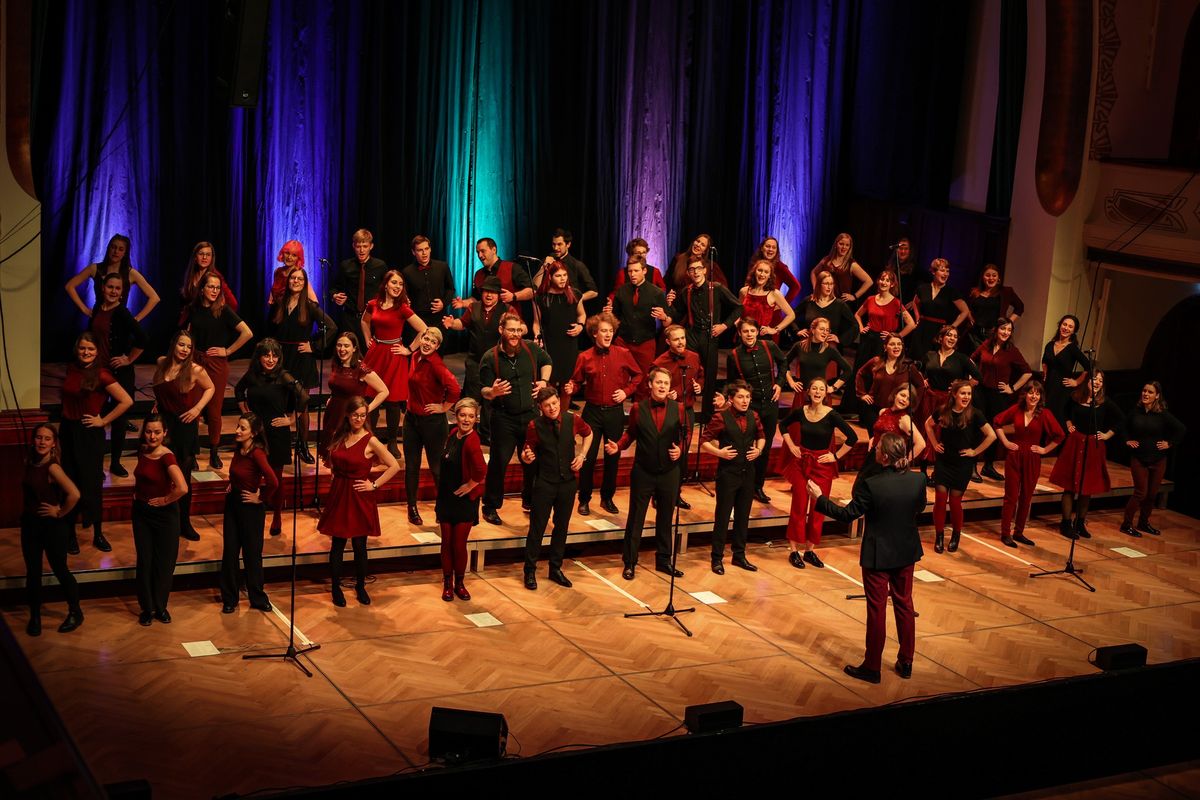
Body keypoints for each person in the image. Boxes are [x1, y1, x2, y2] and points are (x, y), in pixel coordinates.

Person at [808, 432, 927, 683]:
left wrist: (819, 498)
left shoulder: (872, 484)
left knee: (877, 610)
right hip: (906, 551)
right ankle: (906, 661)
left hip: (878, 554)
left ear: (883, 455)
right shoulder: (918, 481)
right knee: (905, 604)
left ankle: (872, 667)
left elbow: (847, 514)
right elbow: (920, 507)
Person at [318, 396, 401, 607]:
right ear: (348, 414)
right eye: (356, 415)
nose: (359, 419)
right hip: (339, 493)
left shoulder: (370, 439)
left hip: (358, 495)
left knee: (359, 545)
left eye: (363, 415)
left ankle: (361, 586)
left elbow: (394, 466)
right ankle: (336, 587)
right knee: (337, 544)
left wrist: (373, 485)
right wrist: (334, 476)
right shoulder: (340, 435)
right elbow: (334, 462)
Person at [608, 367, 687, 579]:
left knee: (665, 518)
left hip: (669, 472)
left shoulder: (678, 409)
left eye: (666, 383)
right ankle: (630, 562)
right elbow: (631, 434)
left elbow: (684, 437)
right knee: (636, 518)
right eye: (659, 382)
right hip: (644, 470)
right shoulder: (637, 408)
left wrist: (680, 449)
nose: (662, 386)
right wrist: (619, 446)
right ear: (650, 384)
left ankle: (664, 560)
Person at [59, 332, 133, 554]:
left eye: (90, 349)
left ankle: (97, 533)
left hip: (89, 432)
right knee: (69, 481)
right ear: (77, 349)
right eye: (82, 348)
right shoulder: (71, 368)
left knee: (91, 484)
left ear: (97, 352)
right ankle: (70, 534)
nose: (86, 352)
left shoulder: (102, 374)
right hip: (68, 431)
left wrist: (103, 420)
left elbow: (126, 400)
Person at [565, 311, 643, 515]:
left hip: (615, 413)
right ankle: (584, 499)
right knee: (588, 459)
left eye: (610, 331)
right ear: (594, 334)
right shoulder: (585, 357)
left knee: (613, 457)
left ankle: (607, 498)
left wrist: (626, 392)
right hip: (592, 413)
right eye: (603, 331)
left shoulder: (623, 354)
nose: (608, 335)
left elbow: (638, 375)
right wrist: (570, 389)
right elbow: (576, 382)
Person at [479, 312, 552, 525]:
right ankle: (490, 506)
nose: (515, 334)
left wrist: (544, 381)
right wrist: (492, 392)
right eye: (511, 330)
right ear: (501, 330)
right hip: (503, 418)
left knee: (531, 460)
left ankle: (529, 500)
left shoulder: (531, 348)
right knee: (499, 463)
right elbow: (482, 390)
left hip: (530, 416)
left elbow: (547, 360)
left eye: (519, 330)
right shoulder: (489, 357)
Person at [779, 378, 858, 568]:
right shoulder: (801, 411)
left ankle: (809, 550)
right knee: (798, 505)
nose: (817, 392)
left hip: (822, 464)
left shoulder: (832, 414)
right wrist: (791, 445)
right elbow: (783, 425)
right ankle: (794, 551)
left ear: (826, 393)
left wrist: (836, 456)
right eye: (814, 388)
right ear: (808, 391)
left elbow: (853, 437)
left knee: (817, 508)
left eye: (821, 389)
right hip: (802, 462)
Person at [520, 387, 593, 589]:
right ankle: (530, 571)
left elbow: (589, 434)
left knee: (561, 528)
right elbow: (527, 453)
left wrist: (582, 455)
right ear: (540, 407)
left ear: (559, 402)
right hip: (544, 483)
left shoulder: (573, 420)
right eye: (547, 405)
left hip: (568, 484)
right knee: (537, 529)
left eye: (554, 403)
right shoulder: (534, 426)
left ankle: (555, 569)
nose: (552, 408)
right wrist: (526, 457)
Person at [235, 339, 306, 536]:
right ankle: (255, 507)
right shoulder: (253, 375)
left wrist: (291, 420)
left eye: (274, 356)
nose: (271, 359)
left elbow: (304, 397)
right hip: (256, 433)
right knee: (253, 472)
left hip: (277, 433)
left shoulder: (283, 376)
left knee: (276, 477)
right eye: (267, 355)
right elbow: (238, 390)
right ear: (259, 357)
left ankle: (276, 515)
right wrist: (246, 413)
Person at [151, 330, 215, 542]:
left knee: (182, 478)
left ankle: (184, 523)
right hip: (163, 425)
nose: (185, 350)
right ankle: (163, 520)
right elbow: (161, 389)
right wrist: (158, 403)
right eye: (181, 345)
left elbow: (211, 388)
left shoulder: (196, 370)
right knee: (162, 475)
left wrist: (198, 410)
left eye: (189, 347)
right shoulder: (162, 362)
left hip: (184, 427)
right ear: (174, 345)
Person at [186, 271, 253, 469]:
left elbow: (247, 332)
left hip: (216, 364)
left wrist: (228, 350)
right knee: (194, 409)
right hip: (196, 362)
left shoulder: (223, 311)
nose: (214, 291)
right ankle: (193, 453)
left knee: (214, 411)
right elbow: (188, 334)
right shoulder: (194, 309)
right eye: (211, 287)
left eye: (217, 288)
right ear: (202, 289)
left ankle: (214, 450)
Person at [270, 266, 337, 464]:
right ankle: (279, 444)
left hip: (301, 358)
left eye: (300, 279)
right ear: (288, 281)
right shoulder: (280, 303)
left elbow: (332, 327)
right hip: (281, 358)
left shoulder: (309, 305)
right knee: (280, 401)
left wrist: (314, 346)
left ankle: (302, 445)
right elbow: (270, 329)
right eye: (293, 278)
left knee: (302, 403)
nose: (296, 281)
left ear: (305, 283)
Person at [21, 424, 83, 636]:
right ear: (33, 440)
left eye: (47, 439)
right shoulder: (30, 460)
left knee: (60, 570)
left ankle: (76, 612)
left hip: (52, 527)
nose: (42, 442)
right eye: (38, 437)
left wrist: (59, 512)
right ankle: (35, 616)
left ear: (53, 443)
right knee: (33, 572)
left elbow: (74, 494)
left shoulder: (53, 467)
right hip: (30, 524)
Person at [361, 269, 429, 458]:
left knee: (392, 402)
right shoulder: (373, 304)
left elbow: (424, 329)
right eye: (394, 283)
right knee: (371, 397)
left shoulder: (402, 308)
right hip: (376, 354)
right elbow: (365, 322)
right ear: (386, 284)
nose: (397, 287)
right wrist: (368, 339)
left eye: (400, 284)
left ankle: (392, 441)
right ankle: (370, 440)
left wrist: (409, 349)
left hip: (394, 355)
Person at [924, 380, 997, 554]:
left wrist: (975, 452)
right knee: (941, 499)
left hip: (962, 463)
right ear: (955, 394)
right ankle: (939, 536)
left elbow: (991, 435)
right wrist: (934, 443)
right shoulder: (943, 410)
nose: (966, 397)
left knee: (955, 502)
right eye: (963, 393)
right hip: (944, 461)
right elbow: (928, 425)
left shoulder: (975, 414)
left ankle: (956, 536)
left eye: (969, 394)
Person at [701, 381, 766, 575]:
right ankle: (717, 558)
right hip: (728, 474)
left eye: (747, 397)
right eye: (740, 397)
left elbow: (762, 435)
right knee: (722, 517)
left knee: (742, 517)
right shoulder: (721, 417)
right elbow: (704, 440)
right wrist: (719, 453)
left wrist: (759, 450)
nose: (745, 401)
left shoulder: (754, 416)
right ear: (730, 399)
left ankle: (739, 555)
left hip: (748, 473)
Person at [1049, 371, 1123, 540]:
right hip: (1075, 443)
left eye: (1100, 380)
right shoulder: (1075, 396)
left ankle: (1080, 523)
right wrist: (1068, 424)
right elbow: (1064, 410)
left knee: (1086, 488)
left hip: (1093, 446)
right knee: (1069, 486)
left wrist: (1107, 434)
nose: (1097, 382)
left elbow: (1121, 420)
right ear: (1087, 381)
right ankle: (1066, 523)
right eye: (1094, 379)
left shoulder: (1105, 402)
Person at [667, 258, 741, 422]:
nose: (696, 272)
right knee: (688, 369)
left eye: (699, 268)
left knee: (709, 375)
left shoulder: (717, 288)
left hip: (710, 336)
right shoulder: (686, 291)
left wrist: (724, 326)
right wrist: (668, 306)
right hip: (692, 335)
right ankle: (685, 411)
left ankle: (707, 416)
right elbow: (676, 314)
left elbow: (738, 307)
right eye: (692, 269)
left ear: (705, 270)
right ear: (688, 273)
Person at [131, 415, 189, 626]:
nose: (152, 436)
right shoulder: (143, 450)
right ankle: (147, 608)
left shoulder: (167, 457)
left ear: (165, 433)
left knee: (164, 563)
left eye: (157, 432)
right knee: (145, 561)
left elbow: (182, 488)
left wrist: (165, 500)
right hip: (141, 513)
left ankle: (161, 607)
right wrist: (137, 494)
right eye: (148, 431)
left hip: (165, 516)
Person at [443, 276, 517, 441]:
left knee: (493, 399)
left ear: (498, 294)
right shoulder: (473, 307)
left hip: (498, 362)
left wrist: (518, 330)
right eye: (486, 292)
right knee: (472, 397)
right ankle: (468, 433)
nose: (489, 296)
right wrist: (451, 323)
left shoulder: (507, 309)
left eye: (493, 292)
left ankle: (487, 434)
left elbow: (520, 326)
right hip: (475, 360)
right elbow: (462, 324)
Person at [991, 381, 1064, 548]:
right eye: (1031, 392)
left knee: (1026, 497)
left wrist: (1045, 450)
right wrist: (1006, 442)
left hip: (1032, 458)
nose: (1034, 396)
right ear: (1025, 394)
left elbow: (1059, 435)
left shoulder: (1044, 414)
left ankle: (1019, 532)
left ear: (1041, 397)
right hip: (1015, 457)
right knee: (1011, 497)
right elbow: (997, 422)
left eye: (1037, 393)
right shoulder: (1016, 409)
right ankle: (1005, 533)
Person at [220, 414, 279, 614]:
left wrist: (260, 498)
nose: (237, 430)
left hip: (250, 508)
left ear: (253, 433)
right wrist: (233, 483)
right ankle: (230, 598)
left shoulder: (257, 453)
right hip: (233, 504)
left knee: (252, 555)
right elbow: (238, 472)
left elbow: (273, 482)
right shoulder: (239, 448)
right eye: (238, 426)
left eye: (242, 428)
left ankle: (257, 597)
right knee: (230, 552)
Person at [88, 273, 147, 477]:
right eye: (110, 287)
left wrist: (128, 359)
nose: (113, 291)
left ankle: (115, 462)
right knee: (99, 414)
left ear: (122, 293)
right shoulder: (97, 308)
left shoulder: (122, 313)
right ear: (103, 288)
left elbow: (142, 338)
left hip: (119, 372)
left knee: (119, 418)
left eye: (118, 288)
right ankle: (96, 462)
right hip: (98, 370)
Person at [725, 317, 788, 503]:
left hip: (770, 404)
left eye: (752, 331)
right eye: (745, 331)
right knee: (745, 446)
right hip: (750, 407)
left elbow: (783, 363)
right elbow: (732, 383)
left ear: (757, 331)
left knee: (764, 447)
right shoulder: (734, 355)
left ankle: (757, 487)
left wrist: (779, 384)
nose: (749, 334)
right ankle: (741, 485)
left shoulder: (769, 346)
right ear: (740, 333)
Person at [404, 328, 461, 525]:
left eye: (432, 341)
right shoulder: (415, 356)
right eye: (425, 338)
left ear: (437, 346)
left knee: (437, 469)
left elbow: (455, 388)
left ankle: (443, 508)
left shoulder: (436, 365)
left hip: (432, 424)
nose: (427, 343)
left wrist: (443, 407)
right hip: (411, 420)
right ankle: (411, 508)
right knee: (412, 467)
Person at [436, 398, 488, 601]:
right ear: (456, 416)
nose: (466, 420)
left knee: (459, 544)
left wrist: (471, 485)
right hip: (447, 498)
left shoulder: (473, 441)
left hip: (464, 501)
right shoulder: (452, 434)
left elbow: (482, 471)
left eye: (471, 416)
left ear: (476, 419)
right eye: (462, 415)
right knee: (446, 543)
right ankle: (447, 583)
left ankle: (460, 583)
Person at [915, 325, 981, 484]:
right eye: (949, 335)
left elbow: (977, 377)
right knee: (926, 431)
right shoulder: (929, 355)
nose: (952, 338)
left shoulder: (961, 358)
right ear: (940, 338)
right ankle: (923, 471)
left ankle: (939, 471)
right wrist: (922, 379)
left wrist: (962, 388)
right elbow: (920, 371)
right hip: (929, 398)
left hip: (948, 401)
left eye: (955, 336)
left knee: (943, 434)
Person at [1121, 381, 1186, 537]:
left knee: (1151, 494)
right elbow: (1122, 426)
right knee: (1140, 493)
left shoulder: (1162, 414)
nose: (1146, 394)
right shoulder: (1135, 412)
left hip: (1158, 460)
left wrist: (1170, 443)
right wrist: (1126, 440)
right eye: (1144, 391)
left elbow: (1181, 429)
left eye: (1150, 392)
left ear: (1157, 396)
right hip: (1139, 458)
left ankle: (1143, 523)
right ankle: (1126, 524)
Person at [971, 318, 1033, 481]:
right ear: (996, 329)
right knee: (977, 427)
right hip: (981, 392)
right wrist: (972, 376)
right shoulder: (986, 344)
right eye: (1003, 329)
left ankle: (988, 466)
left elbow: (1027, 372)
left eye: (1009, 330)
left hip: (999, 396)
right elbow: (971, 359)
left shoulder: (1012, 350)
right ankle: (971, 466)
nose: (1006, 332)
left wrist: (1012, 388)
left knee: (995, 428)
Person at [652, 324, 705, 510]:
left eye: (682, 338)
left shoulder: (694, 357)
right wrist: (665, 395)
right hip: (667, 413)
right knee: (666, 455)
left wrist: (699, 386)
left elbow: (700, 376)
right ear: (668, 342)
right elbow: (648, 388)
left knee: (682, 456)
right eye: (676, 339)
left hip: (687, 411)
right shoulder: (660, 363)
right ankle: (659, 495)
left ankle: (676, 494)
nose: (681, 342)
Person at [321, 332, 389, 459]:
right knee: (333, 456)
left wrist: (366, 410)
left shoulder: (361, 369)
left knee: (350, 454)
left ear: (354, 348)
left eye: (346, 346)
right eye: (339, 345)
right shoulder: (336, 364)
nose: (342, 349)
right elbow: (337, 385)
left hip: (351, 417)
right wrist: (332, 397)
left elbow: (384, 391)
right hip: (333, 414)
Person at [64, 233, 160, 322]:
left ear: (125, 253)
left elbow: (154, 298)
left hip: (120, 322)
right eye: (113, 247)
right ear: (108, 248)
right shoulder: (95, 268)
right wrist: (84, 309)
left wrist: (135, 319)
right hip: (98, 320)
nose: (116, 251)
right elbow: (69, 286)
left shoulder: (130, 273)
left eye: (120, 249)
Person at [607, 256, 670, 379]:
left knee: (644, 380)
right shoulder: (622, 290)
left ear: (644, 271)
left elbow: (667, 323)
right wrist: (608, 314)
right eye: (630, 271)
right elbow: (614, 317)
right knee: (620, 377)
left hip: (645, 342)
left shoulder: (656, 293)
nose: (632, 274)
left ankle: (639, 399)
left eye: (636, 271)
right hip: (623, 340)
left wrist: (663, 317)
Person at [532, 260, 586, 395]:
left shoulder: (574, 294)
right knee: (548, 381)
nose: (563, 279)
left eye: (564, 275)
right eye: (558, 276)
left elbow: (582, 315)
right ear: (550, 277)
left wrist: (580, 326)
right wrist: (537, 336)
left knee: (567, 383)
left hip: (568, 343)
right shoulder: (541, 297)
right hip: (549, 342)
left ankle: (563, 415)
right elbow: (536, 322)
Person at [858, 384, 926, 484]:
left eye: (908, 399)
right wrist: (872, 440)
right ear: (895, 394)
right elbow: (879, 430)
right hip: (873, 456)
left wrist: (905, 459)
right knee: (860, 487)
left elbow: (921, 443)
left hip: (887, 463)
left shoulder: (905, 420)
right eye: (902, 395)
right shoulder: (883, 411)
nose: (904, 400)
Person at [856, 334, 923, 434]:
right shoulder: (876, 361)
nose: (896, 347)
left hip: (895, 412)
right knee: (874, 439)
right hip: (873, 409)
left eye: (899, 344)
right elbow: (860, 373)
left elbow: (920, 385)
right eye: (892, 344)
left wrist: (912, 406)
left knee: (887, 443)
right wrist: (862, 393)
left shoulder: (908, 366)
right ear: (885, 347)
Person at [331, 229, 389, 335]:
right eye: (358, 246)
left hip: (372, 318)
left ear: (371, 246)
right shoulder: (346, 266)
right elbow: (334, 287)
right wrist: (335, 296)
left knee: (369, 350)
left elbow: (387, 290)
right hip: (350, 318)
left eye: (365, 246)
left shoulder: (380, 266)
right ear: (353, 246)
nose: (361, 250)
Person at [854, 269, 916, 368]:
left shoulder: (896, 303)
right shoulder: (870, 299)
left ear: (892, 284)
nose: (884, 282)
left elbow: (911, 324)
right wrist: (861, 328)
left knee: (877, 369)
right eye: (882, 279)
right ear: (878, 281)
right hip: (868, 338)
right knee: (861, 366)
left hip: (883, 341)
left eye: (888, 280)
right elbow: (857, 315)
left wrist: (896, 336)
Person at [909, 258, 969, 360]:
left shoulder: (951, 291)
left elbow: (965, 311)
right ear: (933, 272)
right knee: (917, 359)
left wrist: (952, 327)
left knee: (933, 360)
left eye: (947, 271)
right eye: (942, 270)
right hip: (922, 329)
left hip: (938, 331)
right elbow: (915, 302)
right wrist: (918, 318)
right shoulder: (923, 288)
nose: (945, 274)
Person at [785, 317, 853, 406]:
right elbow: (784, 363)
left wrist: (833, 388)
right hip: (803, 393)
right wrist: (791, 382)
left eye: (827, 330)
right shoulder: (800, 346)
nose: (825, 333)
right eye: (821, 329)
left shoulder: (830, 349)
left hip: (820, 396)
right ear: (813, 330)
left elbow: (848, 369)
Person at [1041, 314, 1091, 425]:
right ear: (1060, 326)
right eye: (1064, 324)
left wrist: (1077, 381)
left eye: (1070, 326)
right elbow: (1044, 360)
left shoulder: (1072, 348)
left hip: (1062, 389)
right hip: (1047, 387)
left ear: (1073, 331)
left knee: (1056, 420)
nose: (1066, 328)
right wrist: (1045, 371)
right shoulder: (1050, 345)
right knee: (1043, 417)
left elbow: (1088, 366)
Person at [402, 234, 456, 333]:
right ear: (413, 252)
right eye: (420, 250)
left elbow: (451, 289)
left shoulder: (442, 267)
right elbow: (404, 295)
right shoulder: (407, 272)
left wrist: (443, 303)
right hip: (417, 319)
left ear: (430, 249)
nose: (424, 253)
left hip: (439, 318)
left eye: (426, 249)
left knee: (439, 347)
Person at [966, 265, 1024, 351]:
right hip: (975, 334)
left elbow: (1020, 307)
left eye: (994, 275)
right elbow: (967, 308)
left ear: (998, 278)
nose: (991, 278)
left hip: (994, 334)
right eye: (988, 275)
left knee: (991, 360)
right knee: (975, 361)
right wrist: (969, 316)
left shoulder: (1006, 292)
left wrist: (1008, 322)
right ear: (982, 277)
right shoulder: (975, 292)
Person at [179, 242, 237, 324]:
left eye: (208, 254)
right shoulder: (191, 275)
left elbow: (233, 303)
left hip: (208, 322)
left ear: (212, 258)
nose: (204, 257)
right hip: (192, 321)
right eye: (201, 254)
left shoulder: (216, 277)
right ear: (195, 257)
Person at [535, 228, 598, 304]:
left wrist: (575, 299)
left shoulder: (577, 265)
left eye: (559, 244)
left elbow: (594, 292)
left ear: (568, 244)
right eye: (553, 244)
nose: (555, 248)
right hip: (549, 307)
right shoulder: (546, 261)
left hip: (569, 307)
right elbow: (534, 288)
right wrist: (543, 267)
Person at [739, 259, 796, 342]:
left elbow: (791, 315)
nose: (762, 274)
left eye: (766, 272)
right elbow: (738, 312)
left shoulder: (774, 293)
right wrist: (737, 323)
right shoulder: (744, 291)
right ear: (754, 272)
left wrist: (775, 330)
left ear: (770, 275)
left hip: (762, 338)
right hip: (744, 337)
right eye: (760, 270)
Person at [798, 271, 860, 346]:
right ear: (819, 285)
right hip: (809, 345)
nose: (829, 287)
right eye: (826, 283)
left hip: (829, 347)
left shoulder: (839, 304)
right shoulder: (809, 301)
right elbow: (792, 316)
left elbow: (855, 325)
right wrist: (797, 331)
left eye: (831, 284)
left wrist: (840, 339)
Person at [466, 237, 534, 305]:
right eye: (478, 252)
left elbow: (533, 290)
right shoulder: (478, 274)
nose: (479, 255)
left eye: (483, 251)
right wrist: (463, 303)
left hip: (510, 314)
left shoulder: (512, 268)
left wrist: (513, 296)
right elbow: (476, 298)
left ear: (494, 250)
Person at [811, 232, 873, 305]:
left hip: (840, 304)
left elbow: (869, 281)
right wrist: (816, 290)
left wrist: (854, 296)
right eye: (841, 244)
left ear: (850, 247)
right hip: (825, 301)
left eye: (847, 245)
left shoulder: (851, 264)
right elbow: (813, 273)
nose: (844, 247)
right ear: (836, 245)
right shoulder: (826, 260)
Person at [749, 236, 803, 308]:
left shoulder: (780, 267)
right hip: (753, 308)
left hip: (771, 312)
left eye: (774, 247)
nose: (770, 249)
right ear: (762, 248)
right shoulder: (754, 264)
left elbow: (796, 286)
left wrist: (781, 305)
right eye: (768, 246)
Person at [269, 240, 318, 306]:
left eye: (294, 255)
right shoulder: (278, 271)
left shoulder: (299, 275)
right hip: (275, 312)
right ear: (282, 253)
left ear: (298, 258)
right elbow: (274, 290)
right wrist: (271, 298)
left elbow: (314, 302)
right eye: (287, 253)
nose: (289, 257)